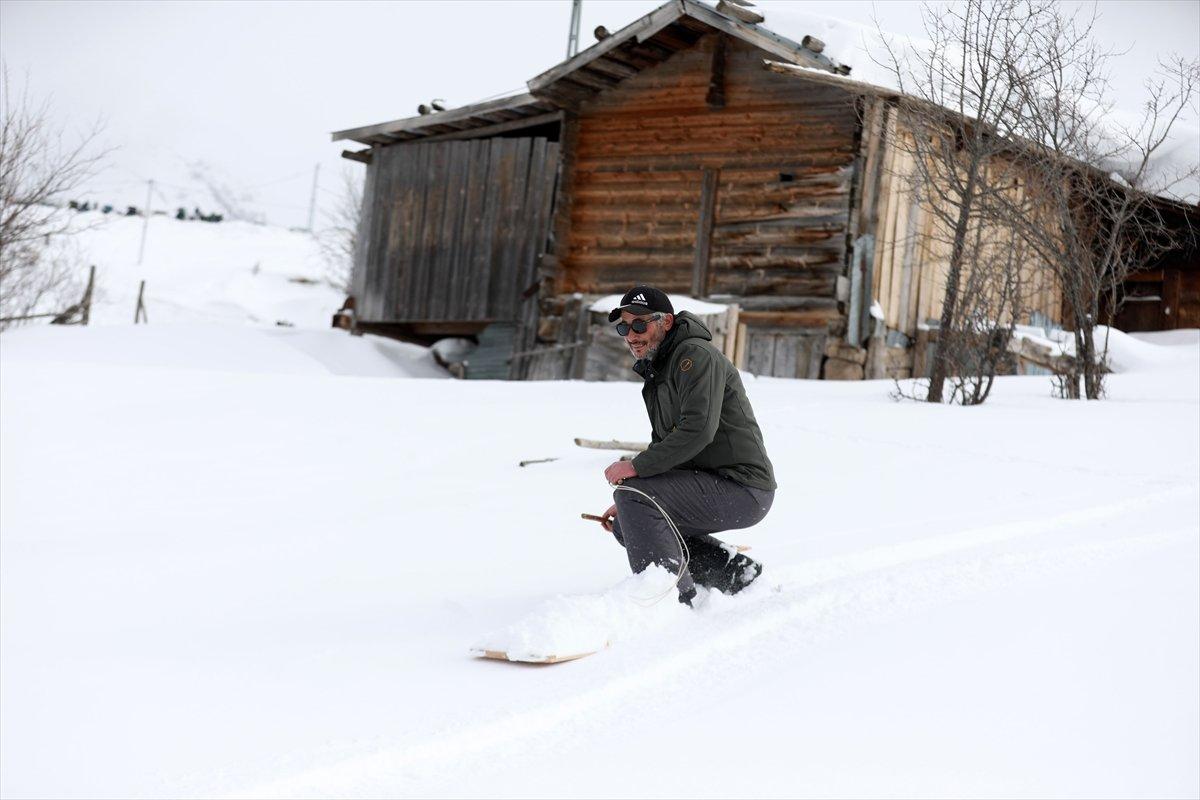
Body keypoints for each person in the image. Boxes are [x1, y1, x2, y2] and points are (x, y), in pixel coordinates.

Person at [595, 285, 776, 606]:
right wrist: (636, 495)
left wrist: (635, 471)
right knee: (628, 522)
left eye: (640, 324)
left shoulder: (694, 357)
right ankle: (735, 574)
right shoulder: (662, 368)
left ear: (666, 322)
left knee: (634, 501)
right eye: (624, 326)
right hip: (712, 482)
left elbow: (697, 431)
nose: (631, 335)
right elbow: (667, 443)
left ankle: (668, 598)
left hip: (743, 487)